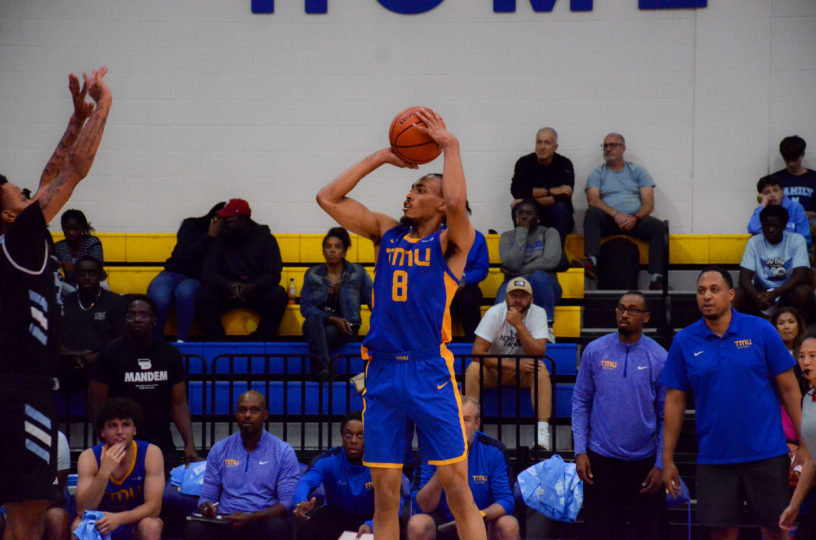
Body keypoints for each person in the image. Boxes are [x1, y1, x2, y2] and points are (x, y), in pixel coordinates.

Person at [316, 108, 486, 540]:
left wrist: (451, 147)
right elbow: (328, 198)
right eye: (411, 186)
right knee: (385, 495)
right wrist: (381, 157)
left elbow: (458, 207)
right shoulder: (385, 233)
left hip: (430, 368)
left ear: (442, 203)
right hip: (384, 370)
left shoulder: (451, 243)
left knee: (457, 489)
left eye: (422, 189)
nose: (410, 194)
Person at [0, 65, 111, 540]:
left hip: (15, 386)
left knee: (19, 514)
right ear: (8, 214)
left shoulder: (15, 239)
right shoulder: (20, 239)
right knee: (27, 516)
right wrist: (104, 107)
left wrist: (75, 117)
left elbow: (49, 175)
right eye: (19, 194)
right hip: (23, 391)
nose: (29, 193)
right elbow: (73, 172)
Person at [662, 266, 804, 540]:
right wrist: (666, 458)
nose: (707, 296)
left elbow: (789, 388)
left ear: (730, 295)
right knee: (721, 533)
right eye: (701, 291)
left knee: (776, 529)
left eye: (714, 290)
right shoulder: (684, 341)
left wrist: (806, 441)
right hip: (715, 458)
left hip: (766, 453)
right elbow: (675, 402)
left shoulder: (761, 330)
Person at [572, 291, 669, 539]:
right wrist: (580, 451)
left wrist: (660, 463)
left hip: (644, 463)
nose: (625, 314)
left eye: (633, 310)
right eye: (621, 308)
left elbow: (665, 416)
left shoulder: (659, 358)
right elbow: (581, 401)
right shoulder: (595, 351)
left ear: (646, 317)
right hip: (601, 459)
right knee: (600, 532)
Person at [89, 295, 200, 467]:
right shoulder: (109, 355)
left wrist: (189, 443)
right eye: (132, 315)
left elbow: (179, 404)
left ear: (154, 320)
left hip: (161, 444)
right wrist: (105, 440)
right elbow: (97, 404)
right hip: (120, 445)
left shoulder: (170, 354)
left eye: (143, 314)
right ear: (125, 319)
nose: (137, 319)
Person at [185, 391, 299, 540]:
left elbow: (288, 502)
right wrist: (206, 508)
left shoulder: (283, 451)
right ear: (236, 414)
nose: (247, 415)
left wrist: (252, 518)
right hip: (226, 520)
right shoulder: (220, 449)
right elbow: (207, 496)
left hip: (261, 521)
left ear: (265, 415)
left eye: (254, 410)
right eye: (242, 410)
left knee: (280, 527)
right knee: (195, 528)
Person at [407, 397, 517, 540]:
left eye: (465, 420)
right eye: (454, 419)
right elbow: (422, 505)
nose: (458, 425)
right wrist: (446, 468)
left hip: (482, 519)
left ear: (477, 424)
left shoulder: (494, 451)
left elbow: (506, 501)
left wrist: (481, 515)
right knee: (417, 524)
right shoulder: (429, 450)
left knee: (508, 524)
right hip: (442, 523)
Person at [465, 277, 553, 450]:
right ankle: (469, 429)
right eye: (514, 295)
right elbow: (477, 353)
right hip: (496, 370)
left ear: (531, 299)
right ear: (506, 298)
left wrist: (519, 325)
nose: (518, 300)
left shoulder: (538, 313)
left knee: (541, 370)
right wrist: (514, 365)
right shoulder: (494, 312)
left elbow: (539, 352)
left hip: (523, 373)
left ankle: (543, 434)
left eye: (523, 296)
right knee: (474, 369)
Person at [577, 133, 666, 289]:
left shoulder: (638, 171)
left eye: (613, 145)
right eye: (605, 146)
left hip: (634, 221)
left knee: (659, 227)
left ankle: (656, 278)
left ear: (623, 148)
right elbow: (593, 200)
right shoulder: (597, 174)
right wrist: (616, 215)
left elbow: (648, 203)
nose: (608, 149)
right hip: (609, 221)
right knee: (592, 213)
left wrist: (635, 218)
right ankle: (592, 262)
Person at [196, 198, 288, 341]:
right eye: (222, 220)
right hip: (227, 290)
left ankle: (261, 340)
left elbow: (273, 274)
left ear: (243, 220)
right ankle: (217, 342)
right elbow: (209, 272)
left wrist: (252, 286)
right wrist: (227, 285)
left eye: (228, 220)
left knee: (278, 295)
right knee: (203, 295)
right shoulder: (220, 239)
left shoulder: (266, 239)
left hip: (255, 291)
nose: (223, 225)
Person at [73, 398, 164, 540]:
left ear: (134, 430)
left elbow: (154, 507)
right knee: (79, 525)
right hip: (101, 523)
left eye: (126, 425)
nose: (120, 431)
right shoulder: (89, 457)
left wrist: (118, 519)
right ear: (103, 432)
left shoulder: (151, 453)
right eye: (113, 426)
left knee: (151, 525)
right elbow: (82, 510)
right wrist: (104, 471)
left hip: (133, 522)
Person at [300, 227, 372, 380]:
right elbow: (306, 308)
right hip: (317, 324)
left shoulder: (358, 273)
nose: (332, 251)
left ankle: (321, 368)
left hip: (347, 327)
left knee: (319, 334)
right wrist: (332, 319)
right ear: (323, 251)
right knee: (313, 321)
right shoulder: (312, 274)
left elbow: (374, 302)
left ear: (344, 252)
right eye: (328, 247)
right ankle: (326, 368)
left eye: (337, 247)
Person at [147, 202, 225, 342]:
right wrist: (209, 236)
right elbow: (185, 254)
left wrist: (214, 237)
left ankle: (182, 341)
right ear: (214, 218)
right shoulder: (191, 225)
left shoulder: (225, 238)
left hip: (196, 279)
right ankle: (155, 343)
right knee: (160, 297)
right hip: (172, 272)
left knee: (184, 292)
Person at [293, 411, 374, 540]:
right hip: (337, 516)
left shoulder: (381, 463)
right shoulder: (330, 459)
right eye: (348, 435)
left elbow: (397, 501)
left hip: (372, 518)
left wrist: (372, 524)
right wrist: (301, 500)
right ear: (342, 437)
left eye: (360, 435)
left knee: (397, 525)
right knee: (307, 530)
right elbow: (306, 481)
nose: (353, 441)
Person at [734, 205, 814, 323]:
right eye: (767, 226)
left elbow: (802, 275)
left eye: (775, 226)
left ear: (784, 226)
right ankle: (734, 335)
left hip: (787, 292)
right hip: (761, 294)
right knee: (735, 294)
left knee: (803, 291)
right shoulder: (754, 242)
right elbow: (744, 279)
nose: (771, 229)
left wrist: (775, 294)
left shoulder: (797, 240)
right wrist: (758, 297)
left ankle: (802, 335)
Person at [59, 256, 126, 393]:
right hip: (70, 363)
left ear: (101, 276)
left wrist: (96, 357)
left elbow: (122, 338)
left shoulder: (116, 302)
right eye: (82, 273)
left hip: (106, 363)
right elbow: (55, 337)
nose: (87, 277)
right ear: (75, 275)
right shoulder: (64, 302)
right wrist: (75, 356)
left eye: (92, 273)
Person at [496, 198, 562, 322]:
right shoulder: (507, 237)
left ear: (537, 217)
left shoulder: (549, 233)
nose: (523, 217)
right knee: (504, 296)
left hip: (545, 284)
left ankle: (547, 326)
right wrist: (522, 232)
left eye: (528, 213)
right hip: (515, 281)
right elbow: (513, 264)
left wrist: (518, 272)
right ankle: (501, 332)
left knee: (539, 276)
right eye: (520, 213)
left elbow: (549, 261)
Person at [509, 127, 575, 245]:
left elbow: (564, 197)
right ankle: (524, 250)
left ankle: (555, 253)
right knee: (521, 207)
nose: (542, 147)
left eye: (547, 143)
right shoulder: (524, 163)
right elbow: (517, 190)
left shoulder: (565, 164)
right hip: (533, 213)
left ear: (555, 147)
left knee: (559, 207)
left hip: (556, 214)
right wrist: (552, 191)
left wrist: (527, 199)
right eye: (539, 142)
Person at [779, 335, 816, 538]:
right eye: (802, 356)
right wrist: (794, 505)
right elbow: (811, 457)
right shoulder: (809, 399)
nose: (806, 361)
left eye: (813, 356)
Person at [450, 211, 489, 341]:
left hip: (466, 286)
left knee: (469, 299)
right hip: (441, 286)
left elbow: (481, 269)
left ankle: (472, 347)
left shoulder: (477, 238)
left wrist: (464, 280)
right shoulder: (435, 236)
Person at [772, 306, 808, 446]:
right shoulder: (769, 354)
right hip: (779, 411)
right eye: (781, 323)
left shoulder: (808, 351)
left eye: (791, 322)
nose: (786, 327)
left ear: (799, 325)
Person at [748, 175, 812, 248]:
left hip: (794, 252)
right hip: (770, 252)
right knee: (753, 239)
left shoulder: (796, 208)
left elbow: (804, 239)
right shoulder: (763, 210)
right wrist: (763, 204)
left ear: (782, 192)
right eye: (767, 192)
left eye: (775, 190)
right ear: (761, 196)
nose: (772, 195)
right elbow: (753, 229)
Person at [775, 136, 816, 243]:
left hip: (809, 221)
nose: (791, 164)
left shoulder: (813, 178)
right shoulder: (776, 179)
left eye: (794, 159)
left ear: (802, 155)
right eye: (787, 160)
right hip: (783, 220)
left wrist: (812, 214)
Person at [53, 208, 105, 294]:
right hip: (71, 284)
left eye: (75, 229)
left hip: (95, 282)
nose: (71, 232)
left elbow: (97, 267)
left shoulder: (92, 242)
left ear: (82, 228)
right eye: (67, 229)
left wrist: (74, 267)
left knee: (104, 289)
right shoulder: (59, 246)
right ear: (63, 228)